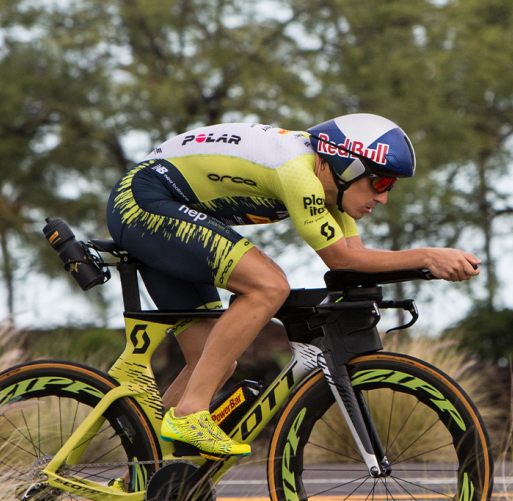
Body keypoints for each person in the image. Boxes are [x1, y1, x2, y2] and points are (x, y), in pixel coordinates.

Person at [107, 113, 480, 463]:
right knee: (269, 287)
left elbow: (358, 259)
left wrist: (427, 268)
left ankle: (143, 479)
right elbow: (341, 261)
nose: (383, 198)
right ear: (348, 166)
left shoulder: (331, 191)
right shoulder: (299, 172)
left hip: (164, 210)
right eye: (380, 182)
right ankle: (191, 414)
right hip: (143, 203)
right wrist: (427, 257)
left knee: (213, 361)